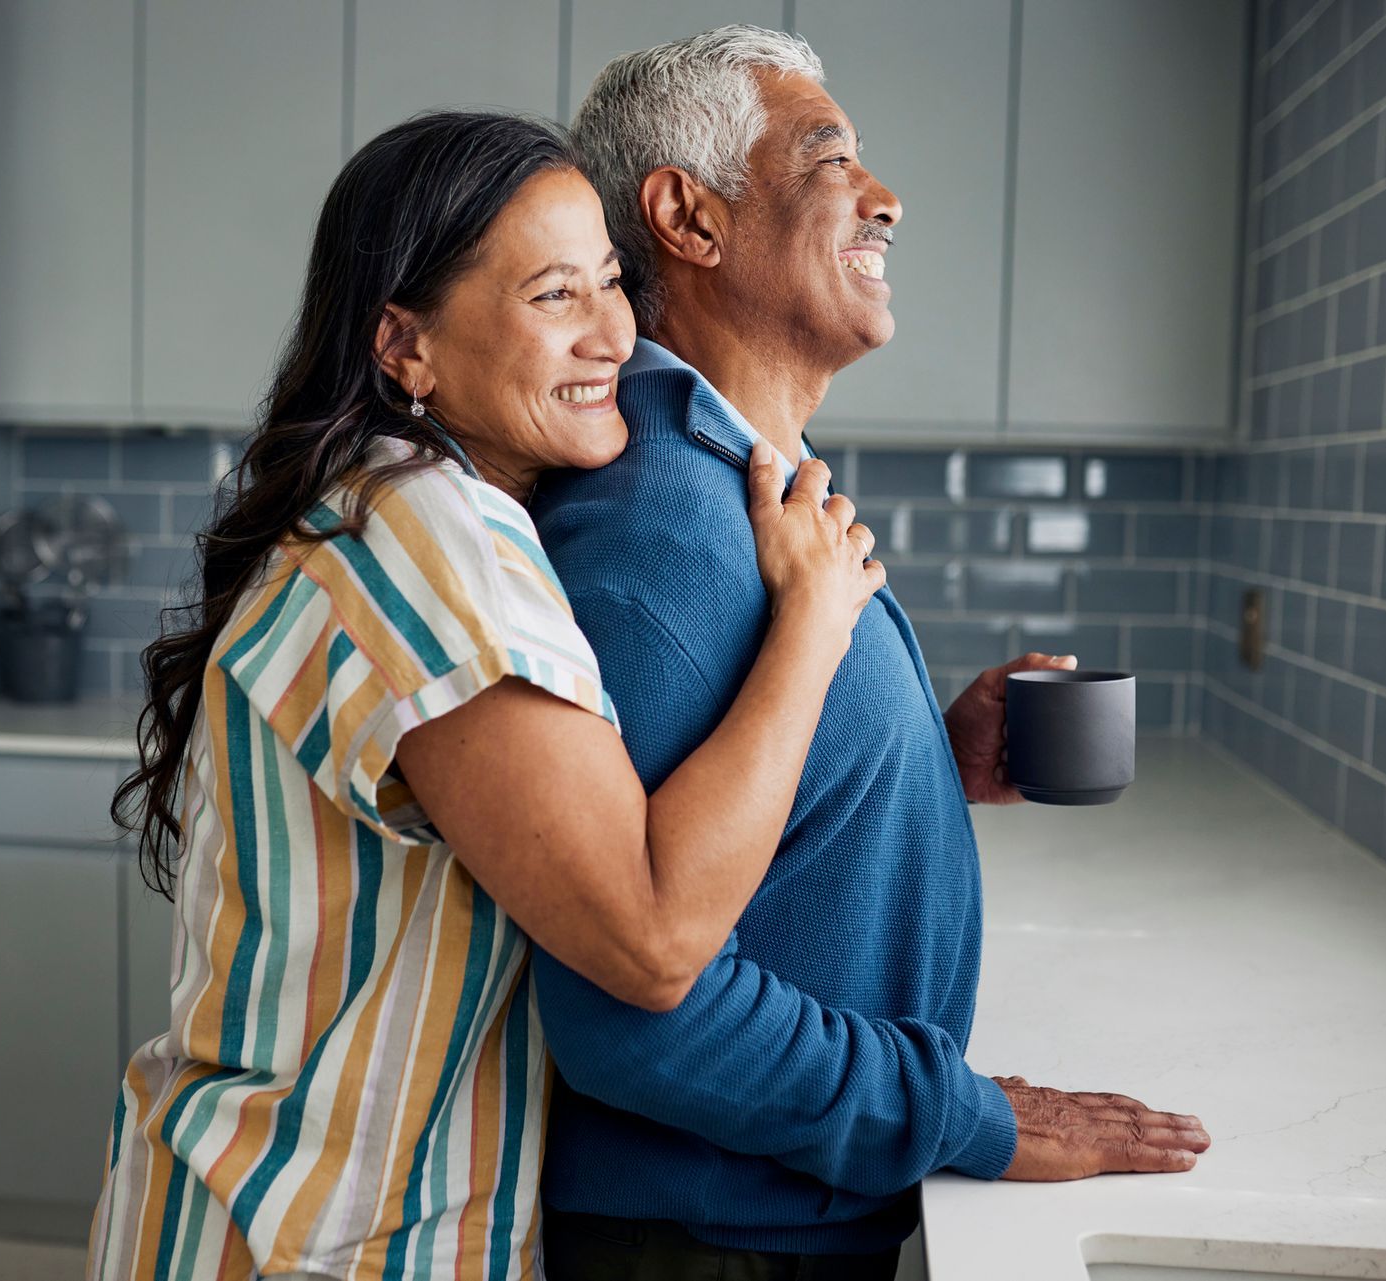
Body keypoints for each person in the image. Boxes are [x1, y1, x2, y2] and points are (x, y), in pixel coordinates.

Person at [87, 109, 883, 1281]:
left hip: (269, 1207)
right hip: (312, 1240)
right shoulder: (429, 540)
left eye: (611, 282)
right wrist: (813, 626)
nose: (613, 332)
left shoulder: (402, 506)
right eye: (554, 296)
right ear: (404, 346)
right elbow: (654, 937)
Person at [530, 27, 1214, 1278]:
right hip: (704, 1245)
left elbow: (728, 826)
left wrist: (924, 764)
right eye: (829, 155)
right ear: (688, 215)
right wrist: (970, 1116)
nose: (885, 199)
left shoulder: (737, 484)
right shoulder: (658, 530)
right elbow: (637, 1018)